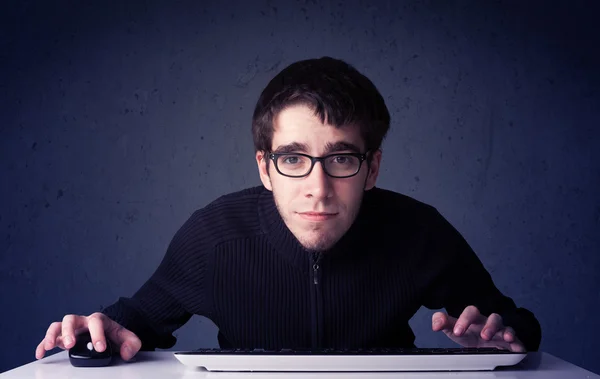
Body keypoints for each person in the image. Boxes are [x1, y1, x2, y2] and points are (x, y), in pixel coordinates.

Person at [35, 57, 541, 362]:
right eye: (294, 159)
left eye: (341, 157)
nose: (318, 189)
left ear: (372, 167)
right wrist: (100, 330)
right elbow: (135, 322)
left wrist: (503, 337)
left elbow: (516, 324)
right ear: (265, 168)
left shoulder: (417, 232)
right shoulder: (214, 237)